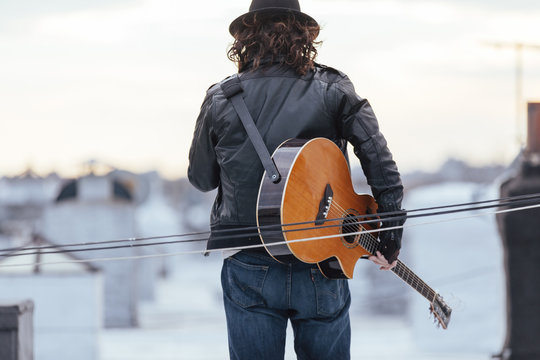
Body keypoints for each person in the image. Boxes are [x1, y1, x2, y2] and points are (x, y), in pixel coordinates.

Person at [188, 0, 405, 358]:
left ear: (245, 38)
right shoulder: (334, 88)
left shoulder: (220, 98)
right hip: (321, 258)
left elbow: (200, 178)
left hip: (248, 260)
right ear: (304, 35)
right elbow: (378, 157)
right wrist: (391, 229)